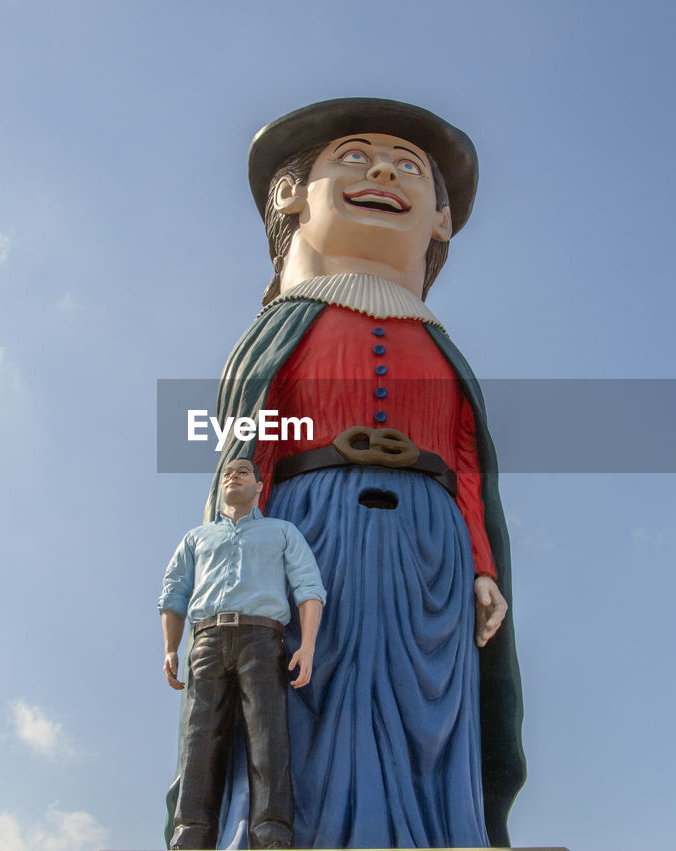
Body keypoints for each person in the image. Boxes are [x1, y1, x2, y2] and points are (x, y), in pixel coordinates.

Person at [176, 98, 526, 849]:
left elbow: (467, 466)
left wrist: (484, 567)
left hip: (429, 553)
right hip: (306, 532)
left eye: (408, 167)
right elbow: (251, 446)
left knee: (424, 715)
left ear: (439, 219)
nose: (382, 172)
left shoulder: (442, 350)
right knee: (299, 700)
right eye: (355, 157)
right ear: (292, 195)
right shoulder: (282, 329)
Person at [159, 457, 326, 850]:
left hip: (262, 637)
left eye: (243, 472)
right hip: (206, 641)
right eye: (229, 472)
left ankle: (271, 838)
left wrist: (308, 644)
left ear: (259, 486)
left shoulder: (281, 532)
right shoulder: (196, 538)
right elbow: (174, 592)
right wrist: (169, 647)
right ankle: (190, 838)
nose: (233, 475)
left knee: (268, 738)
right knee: (200, 740)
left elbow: (309, 587)